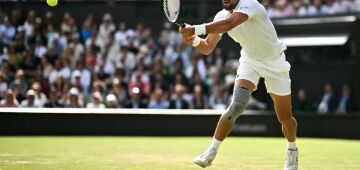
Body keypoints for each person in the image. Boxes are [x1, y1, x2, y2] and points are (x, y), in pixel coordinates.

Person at [179, 0, 298, 169]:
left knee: (285, 118)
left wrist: (195, 29)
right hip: (250, 62)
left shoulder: (251, 4)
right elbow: (207, 47)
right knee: (236, 105)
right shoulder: (220, 16)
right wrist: (194, 40)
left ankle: (292, 150)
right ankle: (211, 151)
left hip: (276, 63)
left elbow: (228, 24)